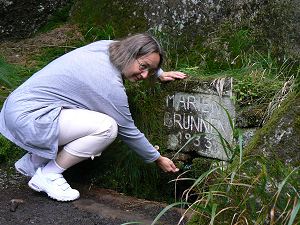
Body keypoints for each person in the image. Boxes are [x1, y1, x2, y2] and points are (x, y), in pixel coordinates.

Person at [0, 33, 187, 202]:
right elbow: (128, 131)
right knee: (107, 127)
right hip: (30, 119)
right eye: (144, 67)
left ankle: (33, 162)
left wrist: (159, 74)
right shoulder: (109, 85)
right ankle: (48, 175)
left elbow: (141, 59)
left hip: (17, 107)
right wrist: (157, 158)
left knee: (84, 116)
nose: (145, 75)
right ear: (131, 54)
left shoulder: (107, 47)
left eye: (150, 71)